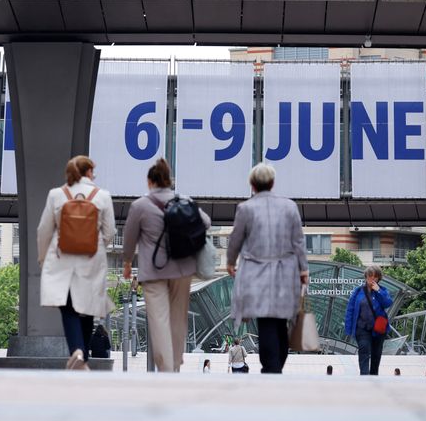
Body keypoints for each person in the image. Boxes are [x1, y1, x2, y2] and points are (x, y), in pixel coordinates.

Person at [122, 158, 211, 372]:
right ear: (169, 181)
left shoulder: (140, 206)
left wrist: (126, 263)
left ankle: (166, 368)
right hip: (183, 269)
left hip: (154, 272)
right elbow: (206, 222)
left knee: (159, 321)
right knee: (178, 320)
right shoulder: (185, 201)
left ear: (149, 181)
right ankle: (176, 363)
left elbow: (129, 239)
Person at [227, 163, 308, 374]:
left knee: (265, 319)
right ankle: (275, 365)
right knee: (280, 321)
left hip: (256, 272)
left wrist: (230, 261)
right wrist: (303, 269)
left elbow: (235, 239)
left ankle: (271, 367)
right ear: (272, 183)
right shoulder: (289, 207)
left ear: (252, 185)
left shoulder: (245, 208)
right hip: (285, 271)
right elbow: (298, 241)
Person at [37, 155, 115, 371]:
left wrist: (43, 256)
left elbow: (44, 230)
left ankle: (77, 351)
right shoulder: (103, 197)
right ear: (89, 172)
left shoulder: (56, 195)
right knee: (88, 307)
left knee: (68, 306)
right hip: (91, 259)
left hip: (62, 258)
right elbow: (109, 232)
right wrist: (96, 245)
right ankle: (83, 357)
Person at [343, 265, 393, 376]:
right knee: (364, 349)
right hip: (362, 328)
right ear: (366, 277)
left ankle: (374, 376)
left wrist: (378, 291)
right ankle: (364, 376)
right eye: (370, 276)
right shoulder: (358, 292)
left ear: (378, 279)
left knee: (376, 354)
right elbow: (350, 310)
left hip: (378, 329)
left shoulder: (382, 291)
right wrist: (349, 329)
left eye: (375, 277)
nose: (372, 279)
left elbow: (388, 303)